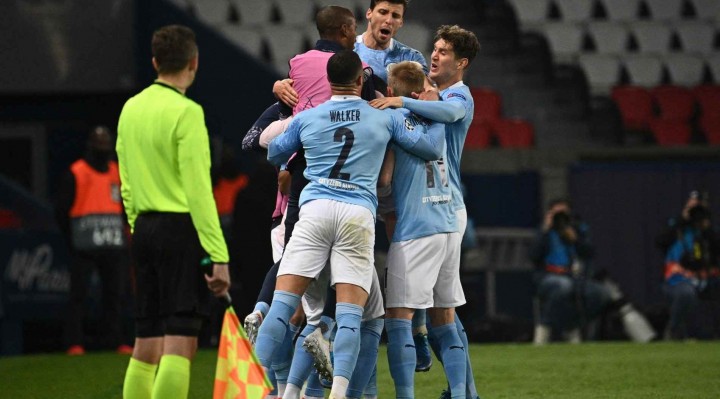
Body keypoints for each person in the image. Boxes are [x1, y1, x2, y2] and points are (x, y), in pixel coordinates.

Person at [256, 49, 445, 399]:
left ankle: (274, 388)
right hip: (356, 214)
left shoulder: (310, 116)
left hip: (314, 212)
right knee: (348, 314)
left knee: (283, 306)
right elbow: (429, 148)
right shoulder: (384, 116)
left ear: (329, 82)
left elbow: (274, 150)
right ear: (361, 81)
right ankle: (340, 393)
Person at [116, 25, 230, 399]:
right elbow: (198, 191)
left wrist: (138, 226)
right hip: (180, 230)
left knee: (146, 340)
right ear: (194, 63)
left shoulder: (130, 108)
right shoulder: (187, 112)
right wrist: (218, 254)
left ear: (155, 62)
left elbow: (126, 181)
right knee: (180, 340)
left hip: (143, 228)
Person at [370, 24, 482, 399]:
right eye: (434, 49)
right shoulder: (433, 96)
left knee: (401, 311)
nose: (434, 55)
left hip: (428, 211)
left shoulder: (458, 97)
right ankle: (465, 392)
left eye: (445, 51)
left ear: (462, 62)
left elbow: (446, 116)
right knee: (444, 313)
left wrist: (400, 102)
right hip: (447, 213)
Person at [55, 125, 132, 356]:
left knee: (115, 295)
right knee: (78, 295)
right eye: (99, 146)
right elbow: (61, 211)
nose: (103, 150)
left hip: (113, 243)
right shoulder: (76, 172)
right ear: (90, 147)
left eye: (105, 146)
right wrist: (72, 239)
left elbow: (127, 206)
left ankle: (115, 340)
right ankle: (74, 343)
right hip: (84, 246)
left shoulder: (116, 172)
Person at [529, 199, 612, 344]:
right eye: (557, 213)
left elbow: (589, 253)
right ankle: (544, 329)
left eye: (564, 213)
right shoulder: (543, 232)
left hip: (575, 277)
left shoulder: (578, 230)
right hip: (548, 277)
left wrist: (575, 239)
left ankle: (572, 326)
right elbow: (533, 257)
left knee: (601, 294)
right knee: (564, 287)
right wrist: (545, 230)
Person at [656, 191, 720, 339]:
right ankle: (673, 332)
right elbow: (660, 241)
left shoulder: (708, 231)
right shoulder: (677, 227)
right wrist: (683, 218)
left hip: (707, 279)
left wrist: (706, 226)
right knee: (686, 293)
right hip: (679, 279)